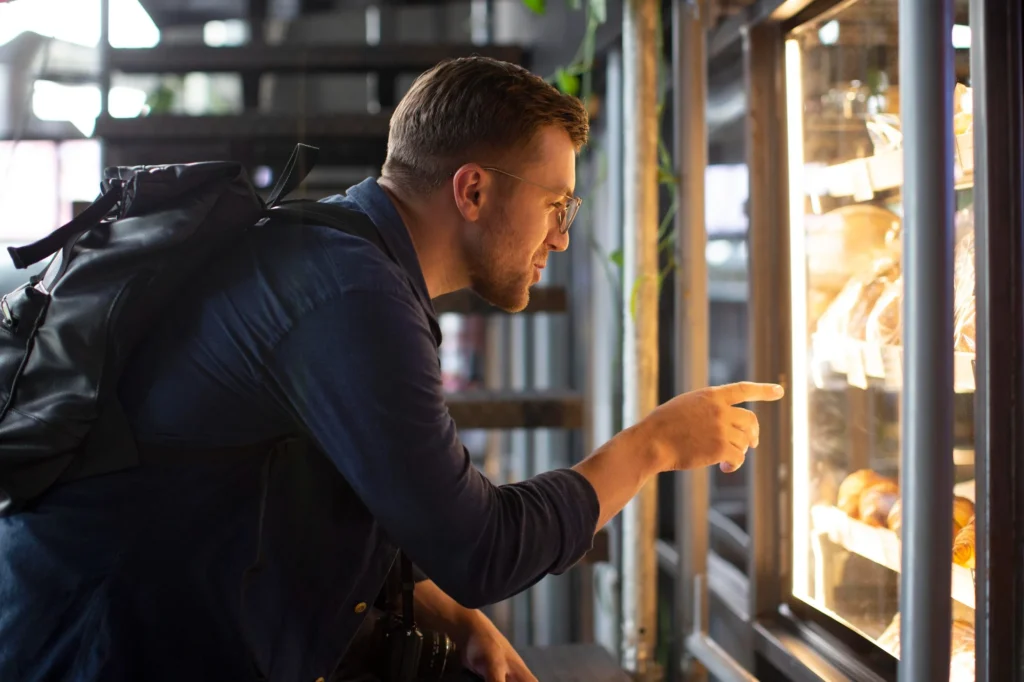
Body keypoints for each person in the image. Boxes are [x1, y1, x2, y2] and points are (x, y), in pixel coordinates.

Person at [0, 56, 783, 682]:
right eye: (559, 206)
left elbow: (349, 489)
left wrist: (446, 612)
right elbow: (480, 546)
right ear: (472, 189)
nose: (563, 239)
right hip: (92, 649)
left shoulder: (346, 263)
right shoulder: (348, 293)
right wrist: (650, 446)